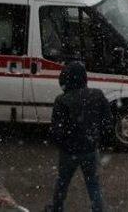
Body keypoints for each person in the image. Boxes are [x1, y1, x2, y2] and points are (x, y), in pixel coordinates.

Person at [48, 62, 113, 212]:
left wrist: (63, 144)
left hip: (69, 151)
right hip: (90, 149)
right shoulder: (97, 95)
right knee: (93, 184)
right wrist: (97, 139)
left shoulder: (62, 100)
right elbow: (107, 122)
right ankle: (98, 209)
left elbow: (56, 130)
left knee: (63, 181)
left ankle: (57, 208)